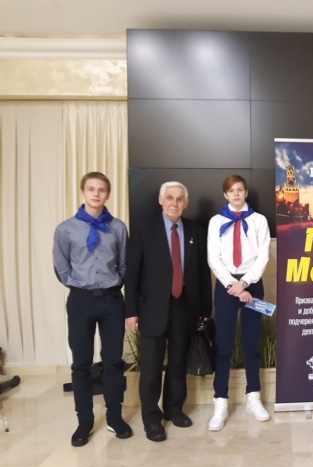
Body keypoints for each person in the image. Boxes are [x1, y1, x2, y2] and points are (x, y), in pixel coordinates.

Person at [125, 181, 212, 442]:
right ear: (161, 200)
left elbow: (202, 273)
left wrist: (205, 308)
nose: (174, 203)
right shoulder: (143, 228)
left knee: (178, 362)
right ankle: (151, 418)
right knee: (151, 367)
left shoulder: (195, 230)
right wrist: (131, 310)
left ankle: (174, 409)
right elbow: (132, 273)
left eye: (179, 198)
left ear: (186, 203)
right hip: (152, 308)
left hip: (185, 306)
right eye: (170, 197)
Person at [53, 172, 132, 447]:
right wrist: (79, 285)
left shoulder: (118, 228)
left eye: (101, 190)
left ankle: (114, 417)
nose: (96, 194)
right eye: (91, 189)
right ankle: (84, 420)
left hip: (111, 301)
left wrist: (114, 284)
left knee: (113, 361)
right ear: (83, 192)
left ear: (107, 194)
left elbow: (124, 264)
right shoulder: (66, 229)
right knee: (81, 363)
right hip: (81, 301)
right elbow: (61, 266)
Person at [207, 175, 271, 431]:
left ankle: (253, 396)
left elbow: (263, 257)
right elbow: (213, 258)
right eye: (231, 190)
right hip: (226, 286)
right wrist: (232, 285)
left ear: (246, 193)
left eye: (240, 190)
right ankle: (220, 401)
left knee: (251, 343)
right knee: (223, 345)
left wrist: (244, 284)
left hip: (252, 284)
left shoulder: (259, 220)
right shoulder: (216, 221)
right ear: (225, 194)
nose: (236, 194)